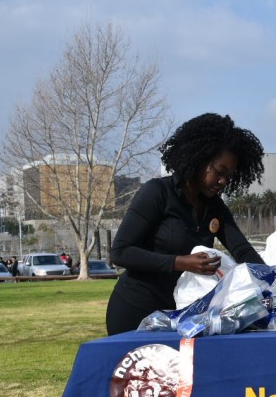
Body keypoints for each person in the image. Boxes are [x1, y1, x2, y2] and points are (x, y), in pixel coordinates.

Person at [106, 113, 266, 335]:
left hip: (181, 315)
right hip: (136, 310)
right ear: (199, 160)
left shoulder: (214, 206)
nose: (223, 181)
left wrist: (275, 281)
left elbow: (242, 250)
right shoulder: (157, 192)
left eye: (229, 176)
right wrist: (180, 262)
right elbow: (120, 252)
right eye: (220, 172)